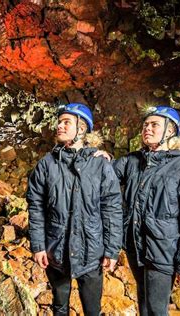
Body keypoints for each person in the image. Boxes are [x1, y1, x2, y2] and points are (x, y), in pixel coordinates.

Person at [101, 105, 180, 315]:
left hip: (162, 252)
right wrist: (97, 156)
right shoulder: (134, 161)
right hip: (135, 246)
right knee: (143, 299)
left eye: (154, 125)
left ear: (170, 131)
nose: (147, 129)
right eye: (145, 125)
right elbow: (104, 175)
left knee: (156, 309)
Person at [27, 103, 123, 316]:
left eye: (66, 122)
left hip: (92, 253)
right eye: (59, 121)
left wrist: (112, 250)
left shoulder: (100, 165)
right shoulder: (46, 164)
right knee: (59, 306)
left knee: (92, 310)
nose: (59, 126)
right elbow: (36, 208)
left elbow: (112, 210)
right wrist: (38, 246)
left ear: (81, 129)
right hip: (56, 252)